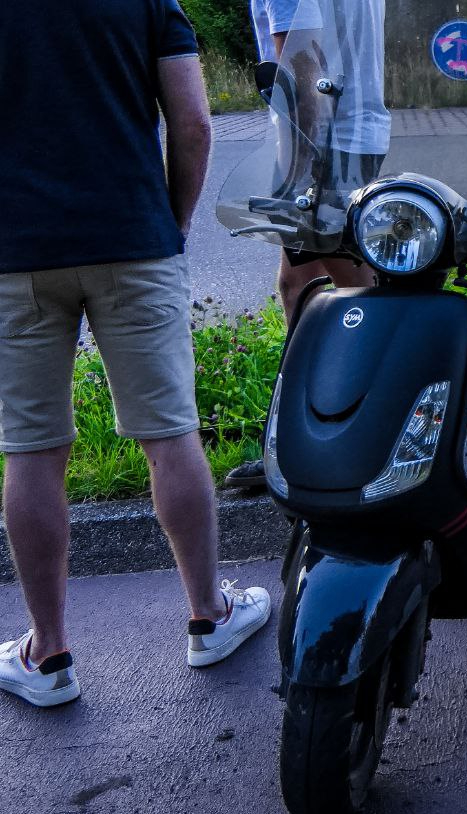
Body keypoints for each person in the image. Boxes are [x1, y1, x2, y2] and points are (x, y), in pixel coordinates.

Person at [0, 0, 271, 708]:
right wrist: (171, 224)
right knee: (169, 435)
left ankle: (48, 653)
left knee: (31, 450)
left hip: (16, 254)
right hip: (132, 238)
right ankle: (208, 616)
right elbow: (193, 124)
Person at [225, 0, 390, 488]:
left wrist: (300, 169)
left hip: (323, 139)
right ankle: (303, 436)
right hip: (354, 128)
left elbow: (301, 62)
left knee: (354, 287)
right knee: (301, 282)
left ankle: (374, 432)